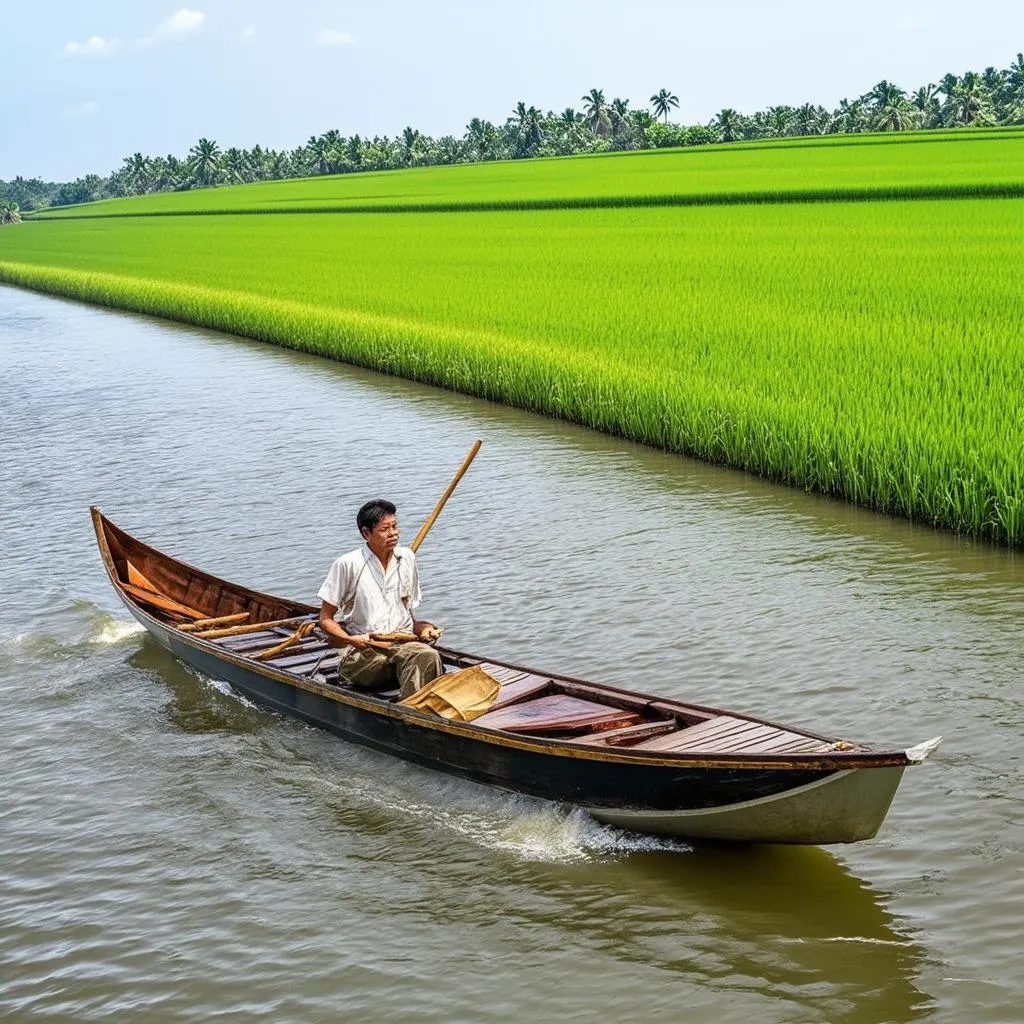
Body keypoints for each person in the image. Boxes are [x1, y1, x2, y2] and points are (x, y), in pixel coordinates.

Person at [317, 499, 443, 698]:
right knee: (425, 655)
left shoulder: (407, 558)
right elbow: (325, 619)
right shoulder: (348, 564)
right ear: (366, 533)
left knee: (426, 655)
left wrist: (425, 629)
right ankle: (414, 715)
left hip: (403, 646)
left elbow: (409, 617)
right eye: (385, 529)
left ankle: (417, 709)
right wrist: (351, 639)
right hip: (363, 657)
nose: (394, 533)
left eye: (395, 526)